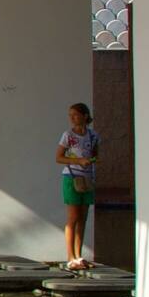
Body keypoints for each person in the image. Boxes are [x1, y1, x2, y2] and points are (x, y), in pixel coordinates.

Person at [56, 103, 99, 270]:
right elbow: (59, 157)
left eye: (75, 115)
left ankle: (78, 255)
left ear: (85, 116)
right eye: (70, 115)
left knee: (83, 218)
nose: (72, 118)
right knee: (73, 217)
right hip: (71, 177)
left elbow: (96, 154)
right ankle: (70, 257)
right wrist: (78, 161)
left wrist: (92, 161)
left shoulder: (93, 136)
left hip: (87, 179)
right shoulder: (68, 136)